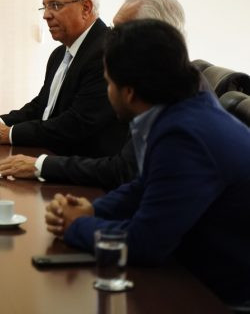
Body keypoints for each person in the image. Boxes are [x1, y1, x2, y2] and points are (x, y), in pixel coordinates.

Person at [44, 19, 250, 307]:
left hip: (218, 296)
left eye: (108, 82)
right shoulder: (186, 106)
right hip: (192, 270)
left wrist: (75, 225)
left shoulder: (184, 135)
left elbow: (144, 244)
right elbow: (147, 185)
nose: (107, 90)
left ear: (128, 92)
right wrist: (92, 208)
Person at [0, 0, 186, 189]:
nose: (110, 38)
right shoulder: (159, 87)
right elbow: (131, 182)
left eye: (120, 31)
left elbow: (125, 174)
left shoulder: (174, 105)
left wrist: (38, 164)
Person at [0, 0, 125, 157]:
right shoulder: (59, 54)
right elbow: (42, 107)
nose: (45, 15)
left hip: (84, 172)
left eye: (56, 5)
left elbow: (78, 123)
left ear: (86, 8)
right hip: (51, 159)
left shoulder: (106, 52)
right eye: (45, 6)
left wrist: (9, 133)